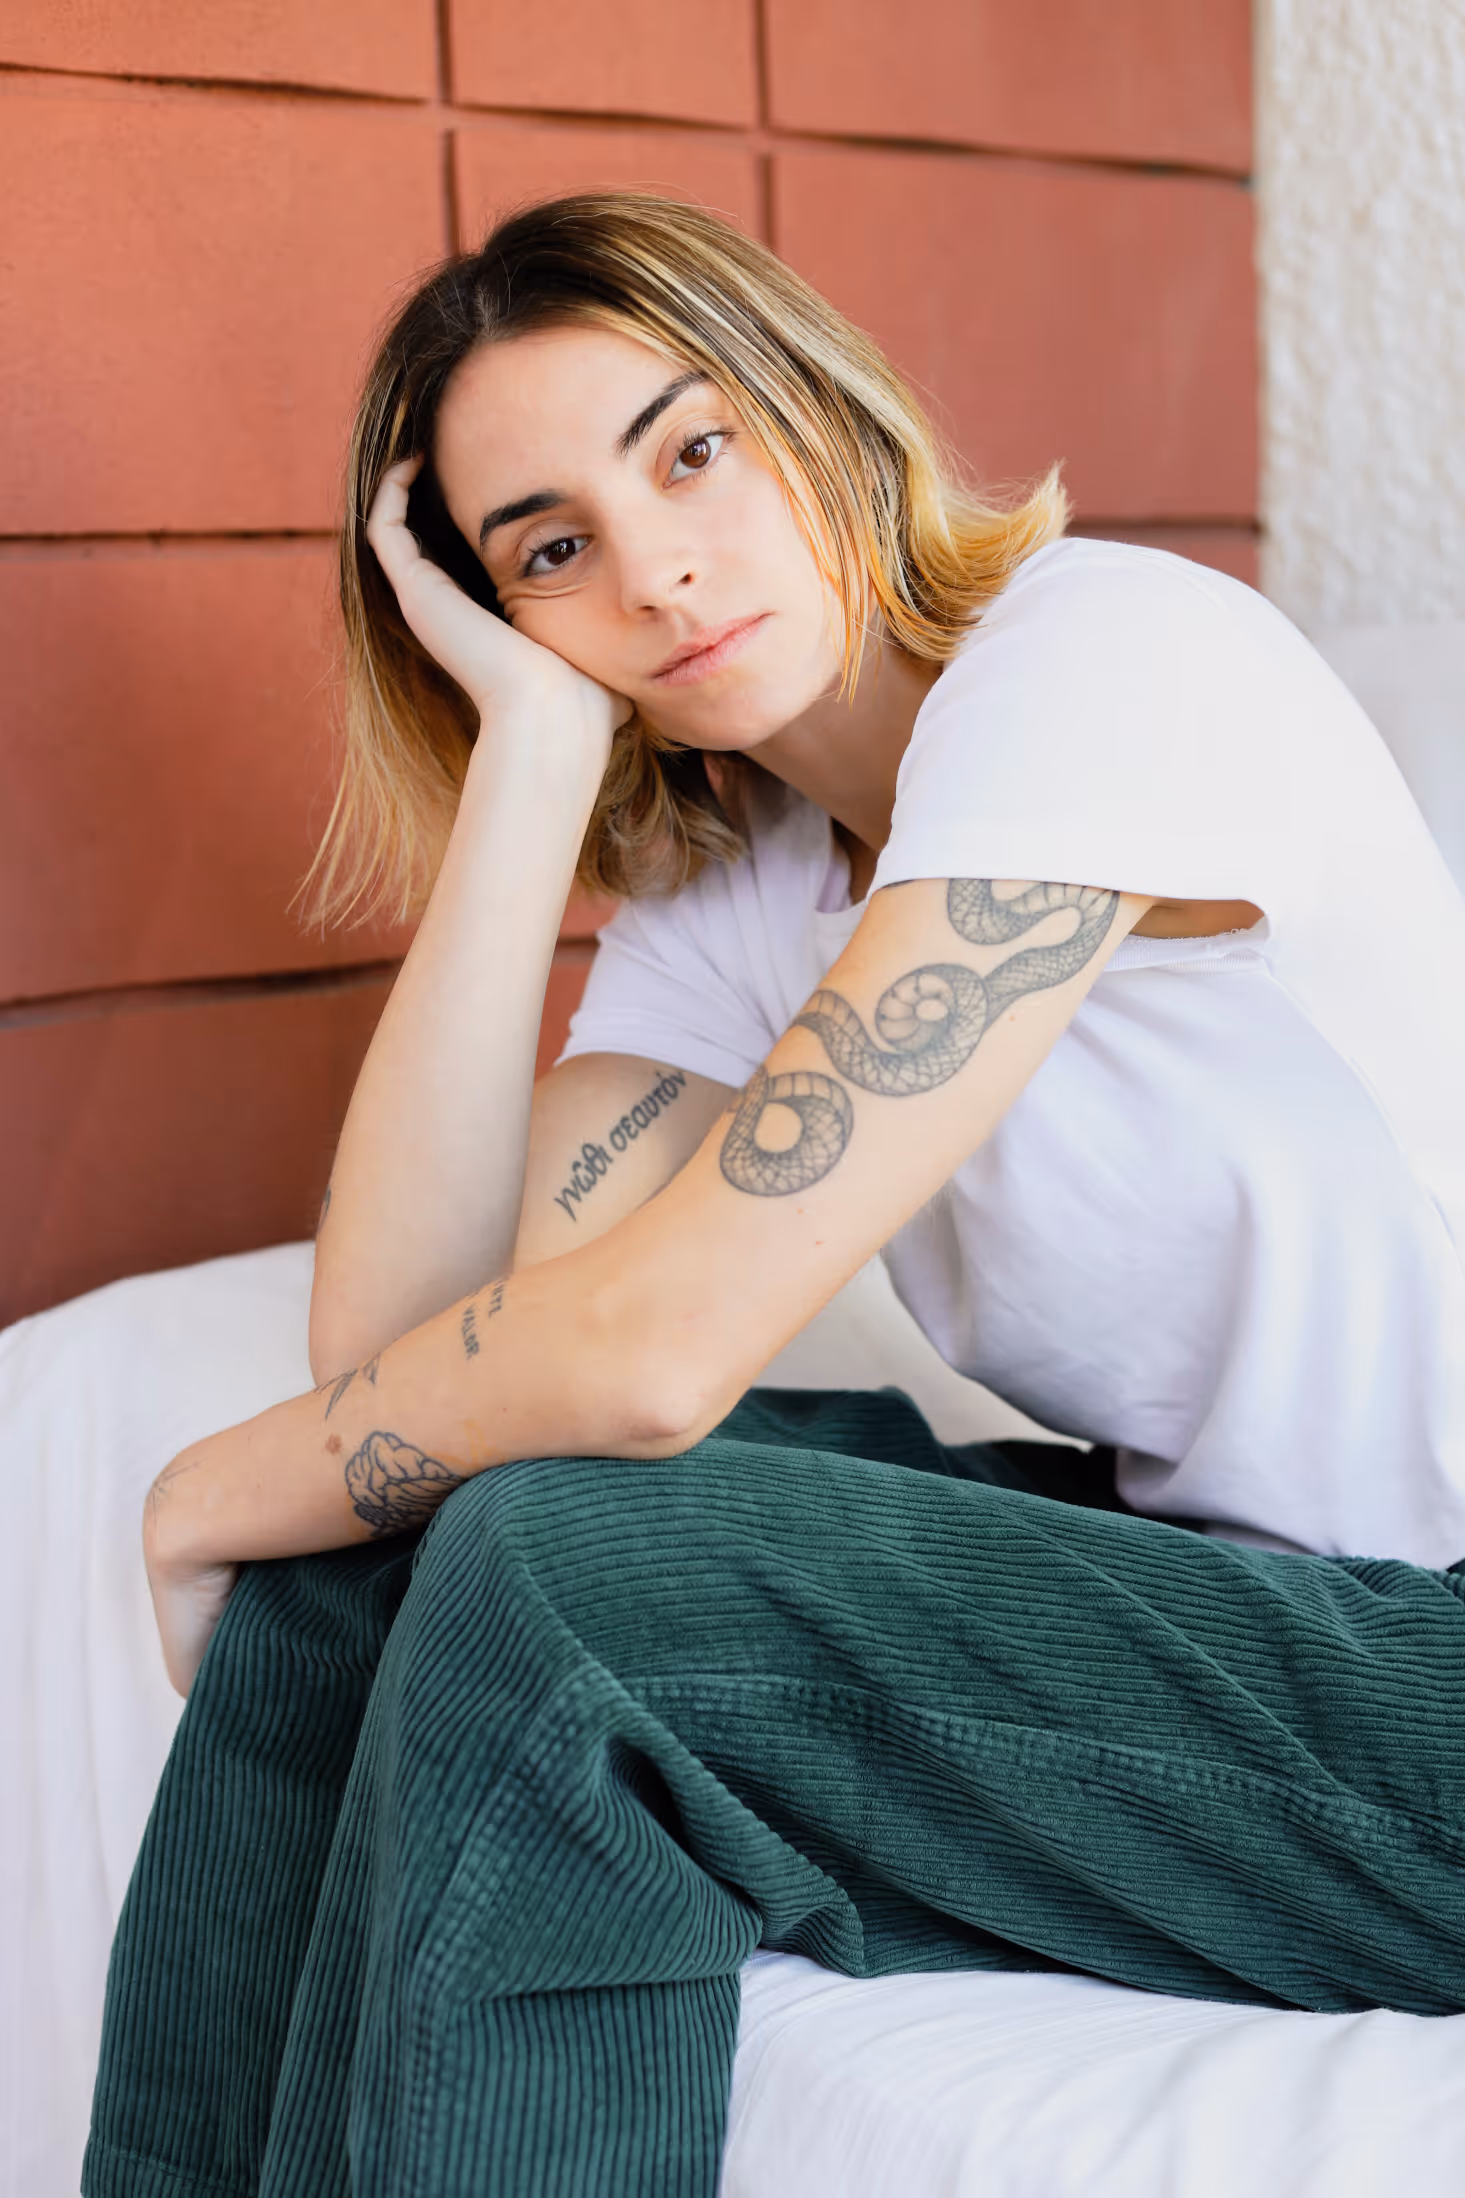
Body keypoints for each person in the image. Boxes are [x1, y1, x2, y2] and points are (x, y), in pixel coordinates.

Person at [85, 193, 1465, 2198]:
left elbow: (652, 1353)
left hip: (1429, 1685)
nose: (654, 567)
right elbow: (405, 1359)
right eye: (550, 549)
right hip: (1263, 1605)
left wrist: (207, 1488)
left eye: (692, 450)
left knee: (554, 1573)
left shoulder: (1106, 659)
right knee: (373, 1546)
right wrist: (530, 761)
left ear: (818, 407)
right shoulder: (753, 885)